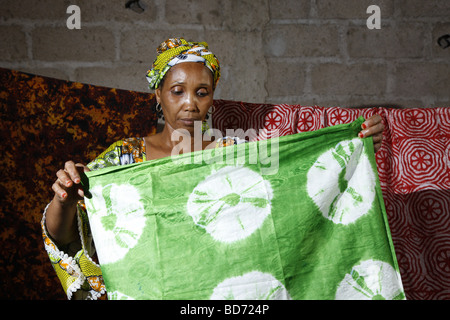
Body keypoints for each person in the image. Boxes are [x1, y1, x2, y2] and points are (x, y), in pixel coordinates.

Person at [41, 37, 385, 300]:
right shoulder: (122, 160)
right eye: (178, 91)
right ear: (157, 94)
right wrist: (64, 200)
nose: (191, 102)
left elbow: (289, 200)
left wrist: (350, 149)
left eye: (202, 92)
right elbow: (67, 240)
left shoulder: (234, 153)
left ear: (212, 98)